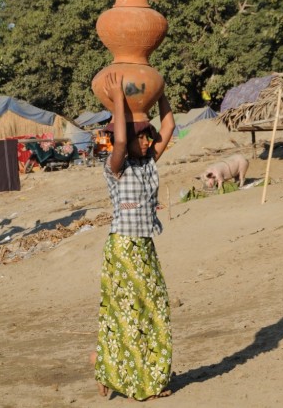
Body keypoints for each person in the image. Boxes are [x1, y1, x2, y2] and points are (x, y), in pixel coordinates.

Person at [91, 72, 175, 401]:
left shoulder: (148, 164)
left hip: (145, 245)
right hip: (123, 247)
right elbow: (121, 143)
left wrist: (161, 92)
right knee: (130, 314)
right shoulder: (114, 166)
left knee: (154, 309)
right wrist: (117, 103)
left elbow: (168, 128)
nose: (147, 141)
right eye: (142, 136)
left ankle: (127, 371)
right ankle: (132, 383)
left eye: (147, 136)